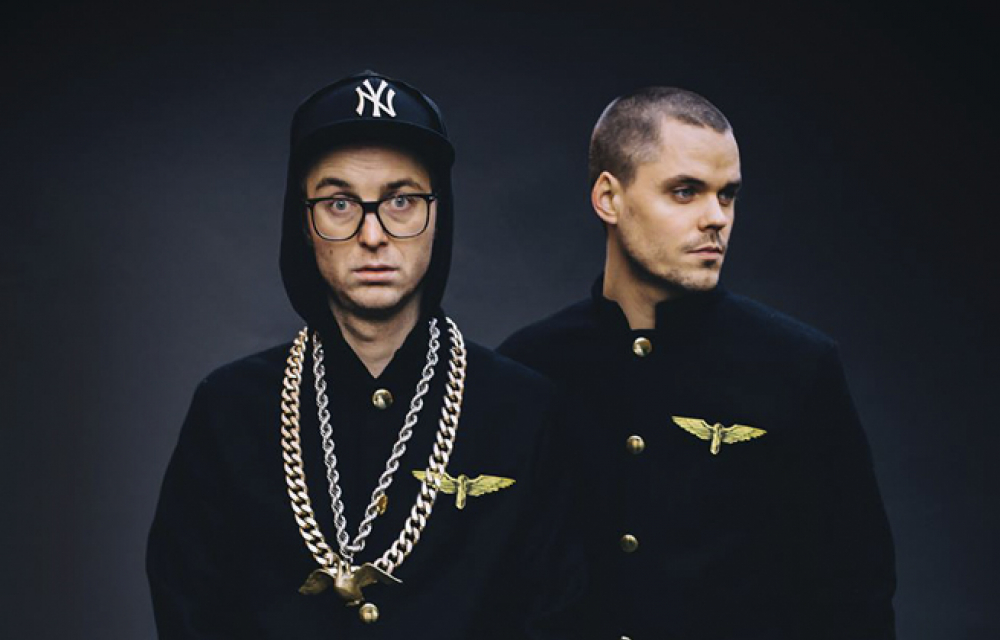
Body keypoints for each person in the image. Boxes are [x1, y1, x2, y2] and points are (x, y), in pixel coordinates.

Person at [147, 70, 579, 639]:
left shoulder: (523, 410)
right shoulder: (230, 408)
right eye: (339, 203)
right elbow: (189, 609)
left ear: (438, 215)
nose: (372, 234)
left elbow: (555, 614)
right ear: (304, 221)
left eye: (401, 200)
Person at [499, 87, 897, 639]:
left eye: (727, 195)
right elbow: (495, 584)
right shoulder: (528, 366)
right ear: (609, 198)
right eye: (685, 192)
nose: (716, 218)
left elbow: (856, 595)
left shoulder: (797, 367)